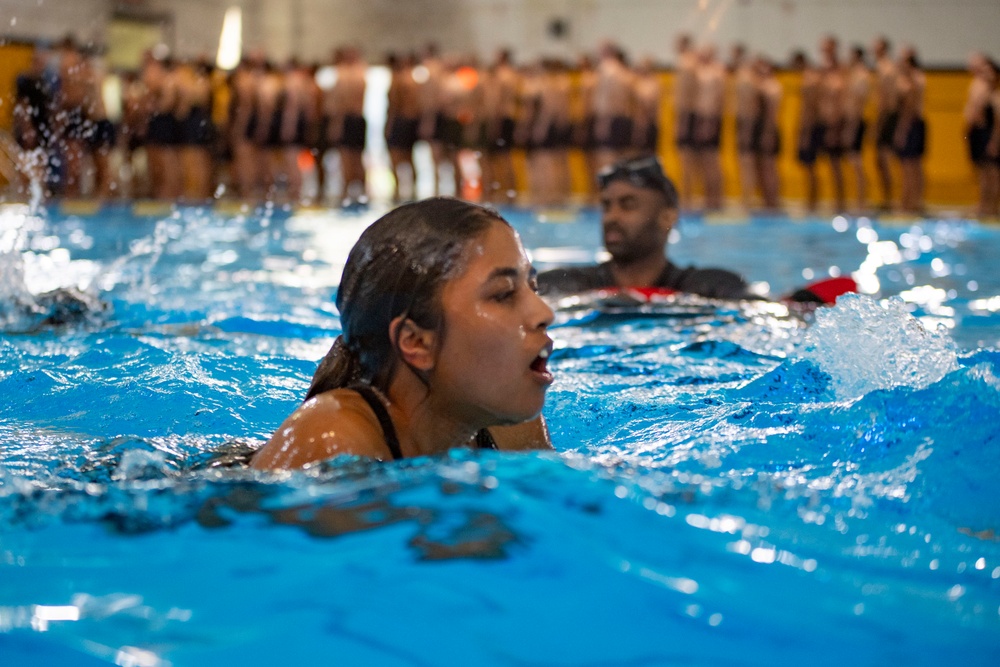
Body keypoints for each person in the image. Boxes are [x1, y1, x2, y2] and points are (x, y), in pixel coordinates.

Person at [252, 198, 555, 469]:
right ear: (417, 342)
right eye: (502, 294)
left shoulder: (507, 419)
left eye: (533, 287)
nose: (545, 313)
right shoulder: (332, 443)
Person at [536, 155, 751, 299]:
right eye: (606, 206)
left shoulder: (711, 288)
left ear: (667, 217)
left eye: (628, 206)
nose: (612, 217)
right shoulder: (564, 285)